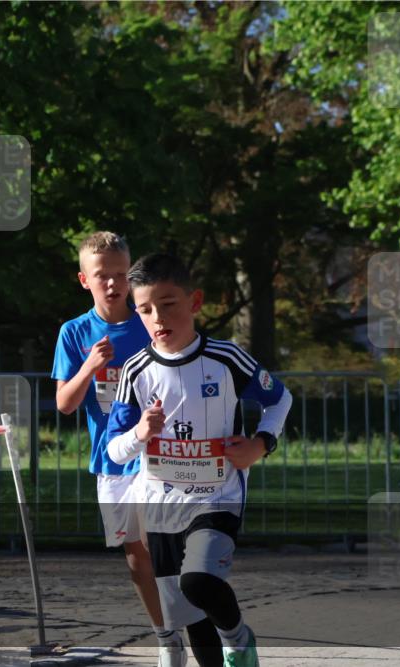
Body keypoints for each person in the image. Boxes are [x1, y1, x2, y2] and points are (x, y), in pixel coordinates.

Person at [106, 253, 293, 667]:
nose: (158, 318)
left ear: (194, 302)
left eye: (168, 304)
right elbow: (114, 449)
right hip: (161, 505)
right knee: (192, 618)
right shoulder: (135, 371)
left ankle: (239, 640)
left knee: (199, 581)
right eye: (145, 309)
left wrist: (261, 444)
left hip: (217, 497)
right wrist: (140, 433)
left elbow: (280, 398)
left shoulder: (227, 358)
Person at [52, 232, 187, 667]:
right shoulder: (74, 332)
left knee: (158, 546)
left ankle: (196, 622)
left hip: (158, 454)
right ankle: (167, 636)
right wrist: (91, 366)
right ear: (84, 280)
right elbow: (64, 403)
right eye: (101, 276)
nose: (112, 284)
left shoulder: (148, 321)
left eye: (119, 274)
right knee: (136, 558)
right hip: (111, 459)